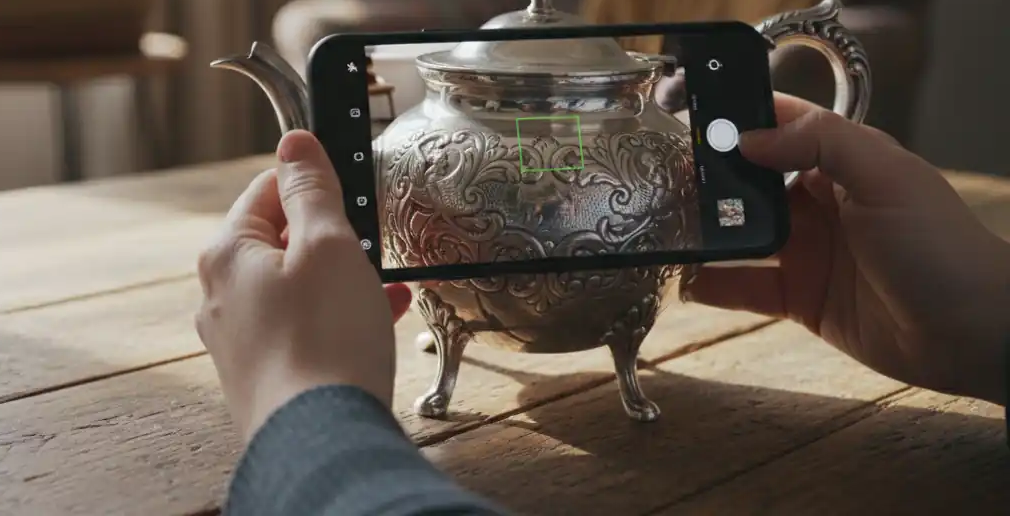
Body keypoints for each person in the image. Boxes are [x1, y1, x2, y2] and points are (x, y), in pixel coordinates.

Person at [195, 94, 1010, 516]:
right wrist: (987, 326)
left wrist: (296, 405)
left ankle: (619, 361)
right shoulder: (428, 129)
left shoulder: (641, 125)